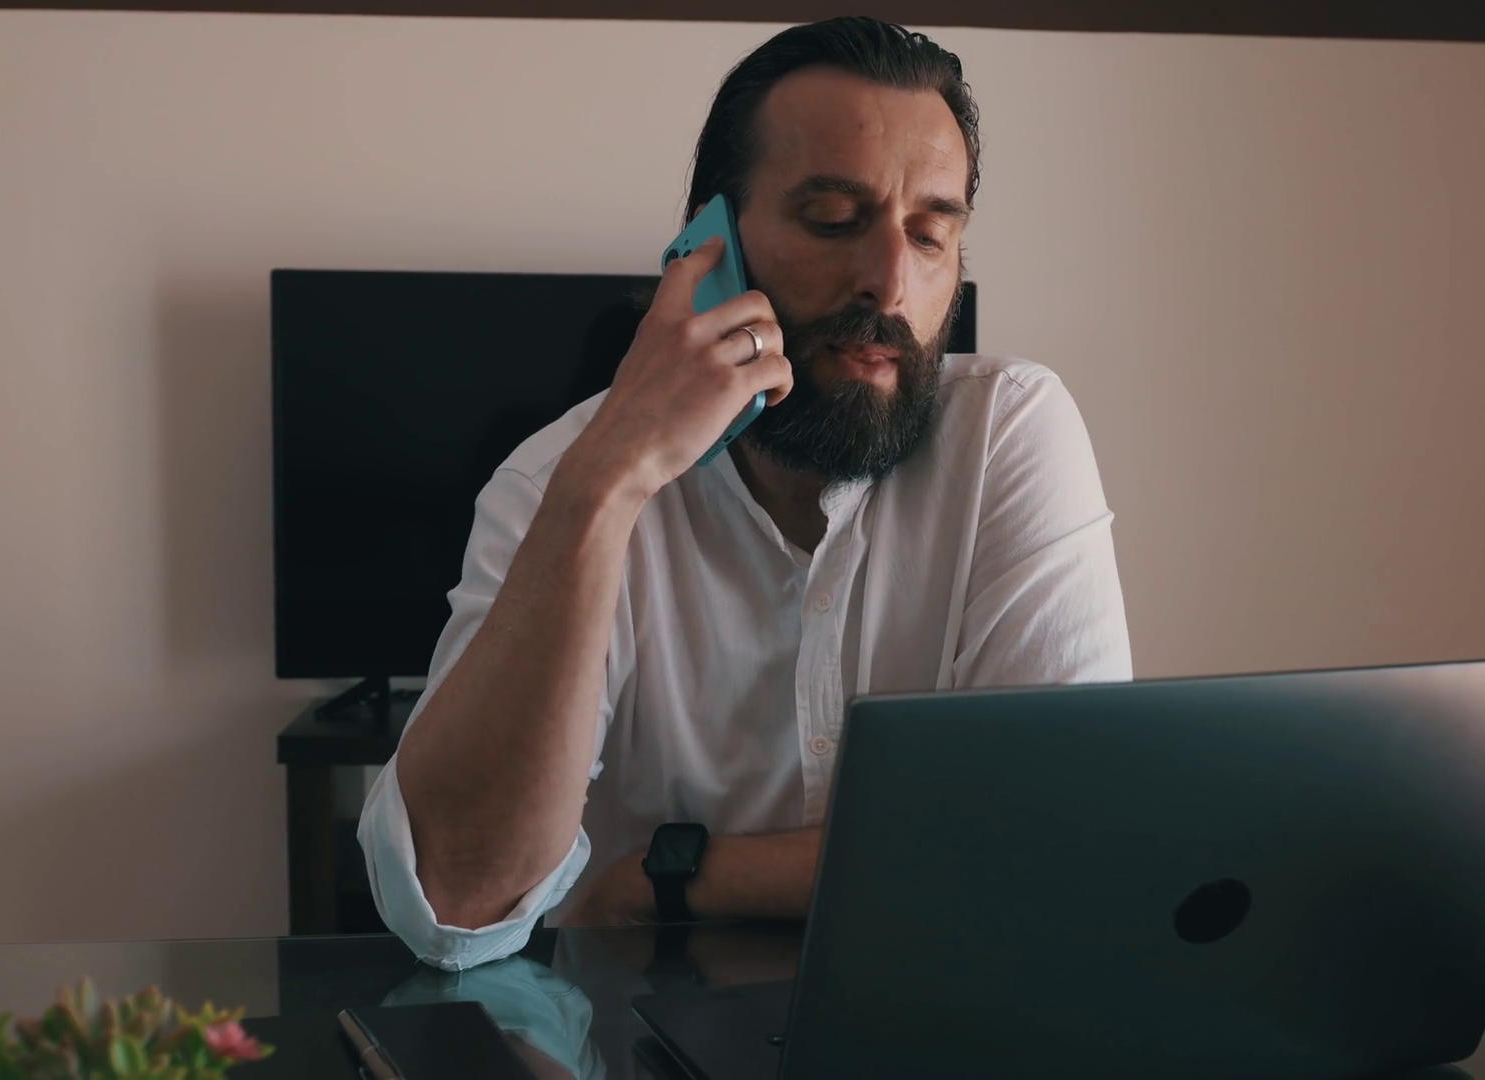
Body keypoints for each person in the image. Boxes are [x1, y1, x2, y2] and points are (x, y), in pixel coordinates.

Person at [359, 15, 1132, 972]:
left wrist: (669, 879)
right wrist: (607, 484)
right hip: (631, 1030)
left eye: (931, 234)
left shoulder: (1008, 431)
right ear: (708, 247)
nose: (890, 283)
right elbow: (456, 903)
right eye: (833, 220)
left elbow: (1059, 847)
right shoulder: (555, 483)